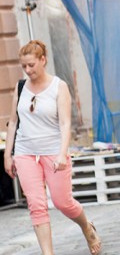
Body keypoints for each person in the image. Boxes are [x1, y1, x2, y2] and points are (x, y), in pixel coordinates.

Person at [3, 40, 102, 255]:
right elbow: (13, 122)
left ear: (43, 60)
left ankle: (86, 226)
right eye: (24, 66)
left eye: (31, 65)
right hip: (25, 152)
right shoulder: (20, 87)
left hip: (53, 152)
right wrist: (8, 156)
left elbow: (65, 123)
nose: (28, 70)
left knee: (62, 202)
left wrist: (62, 154)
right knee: (36, 205)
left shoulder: (59, 86)